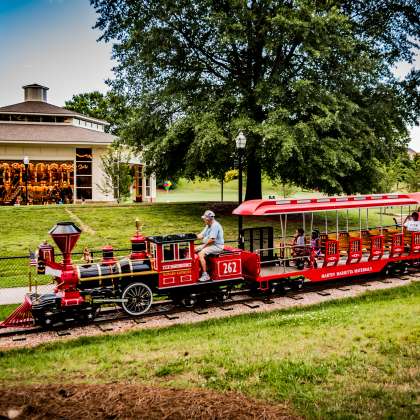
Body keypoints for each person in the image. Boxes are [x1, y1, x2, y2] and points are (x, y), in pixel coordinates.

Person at [196, 210, 224, 282]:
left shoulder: (215, 226)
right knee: (194, 250)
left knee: (200, 253)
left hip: (217, 246)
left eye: (204, 219)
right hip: (210, 245)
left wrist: (203, 247)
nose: (204, 220)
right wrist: (191, 236)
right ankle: (198, 269)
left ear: (208, 219)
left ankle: (205, 275)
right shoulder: (208, 225)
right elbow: (201, 235)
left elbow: (212, 240)